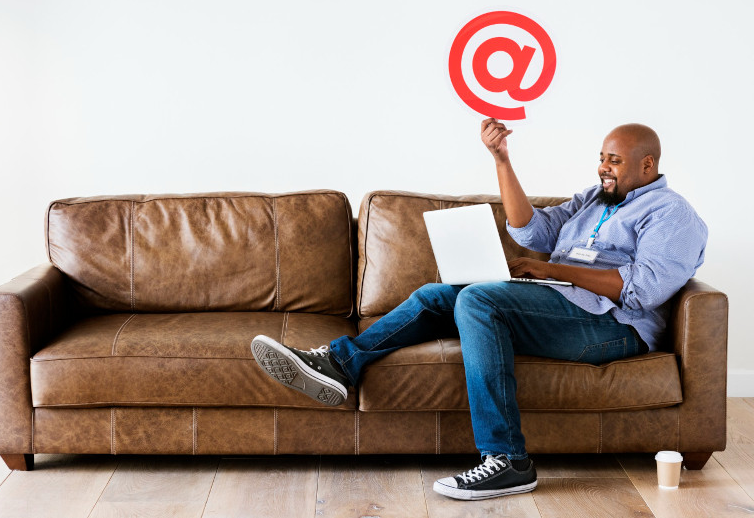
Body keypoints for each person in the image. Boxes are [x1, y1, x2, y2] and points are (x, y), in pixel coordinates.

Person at [250, 119, 708, 501]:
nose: (603, 168)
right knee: (439, 294)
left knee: (479, 297)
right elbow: (532, 232)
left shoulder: (673, 215)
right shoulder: (593, 199)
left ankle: (508, 459)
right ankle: (338, 363)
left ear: (648, 164)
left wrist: (553, 270)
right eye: (602, 158)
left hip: (611, 326)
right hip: (559, 304)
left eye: (615, 161)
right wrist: (502, 160)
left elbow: (641, 290)